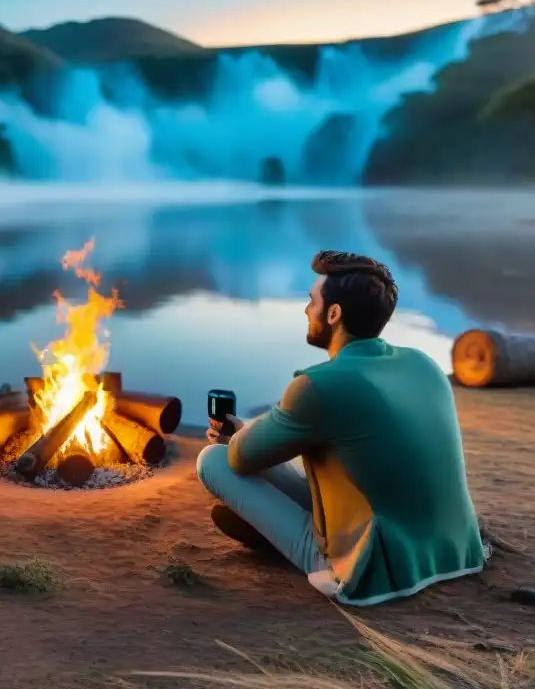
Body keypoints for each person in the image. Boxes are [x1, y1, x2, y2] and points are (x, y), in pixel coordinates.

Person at [196, 251, 485, 606]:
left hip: (374, 566)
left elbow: (238, 459)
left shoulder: (318, 386)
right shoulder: (424, 364)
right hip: (456, 549)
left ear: (334, 314)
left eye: (311, 301)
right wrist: (247, 432)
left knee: (214, 458)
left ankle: (316, 554)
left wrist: (239, 438)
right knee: (304, 456)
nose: (306, 310)